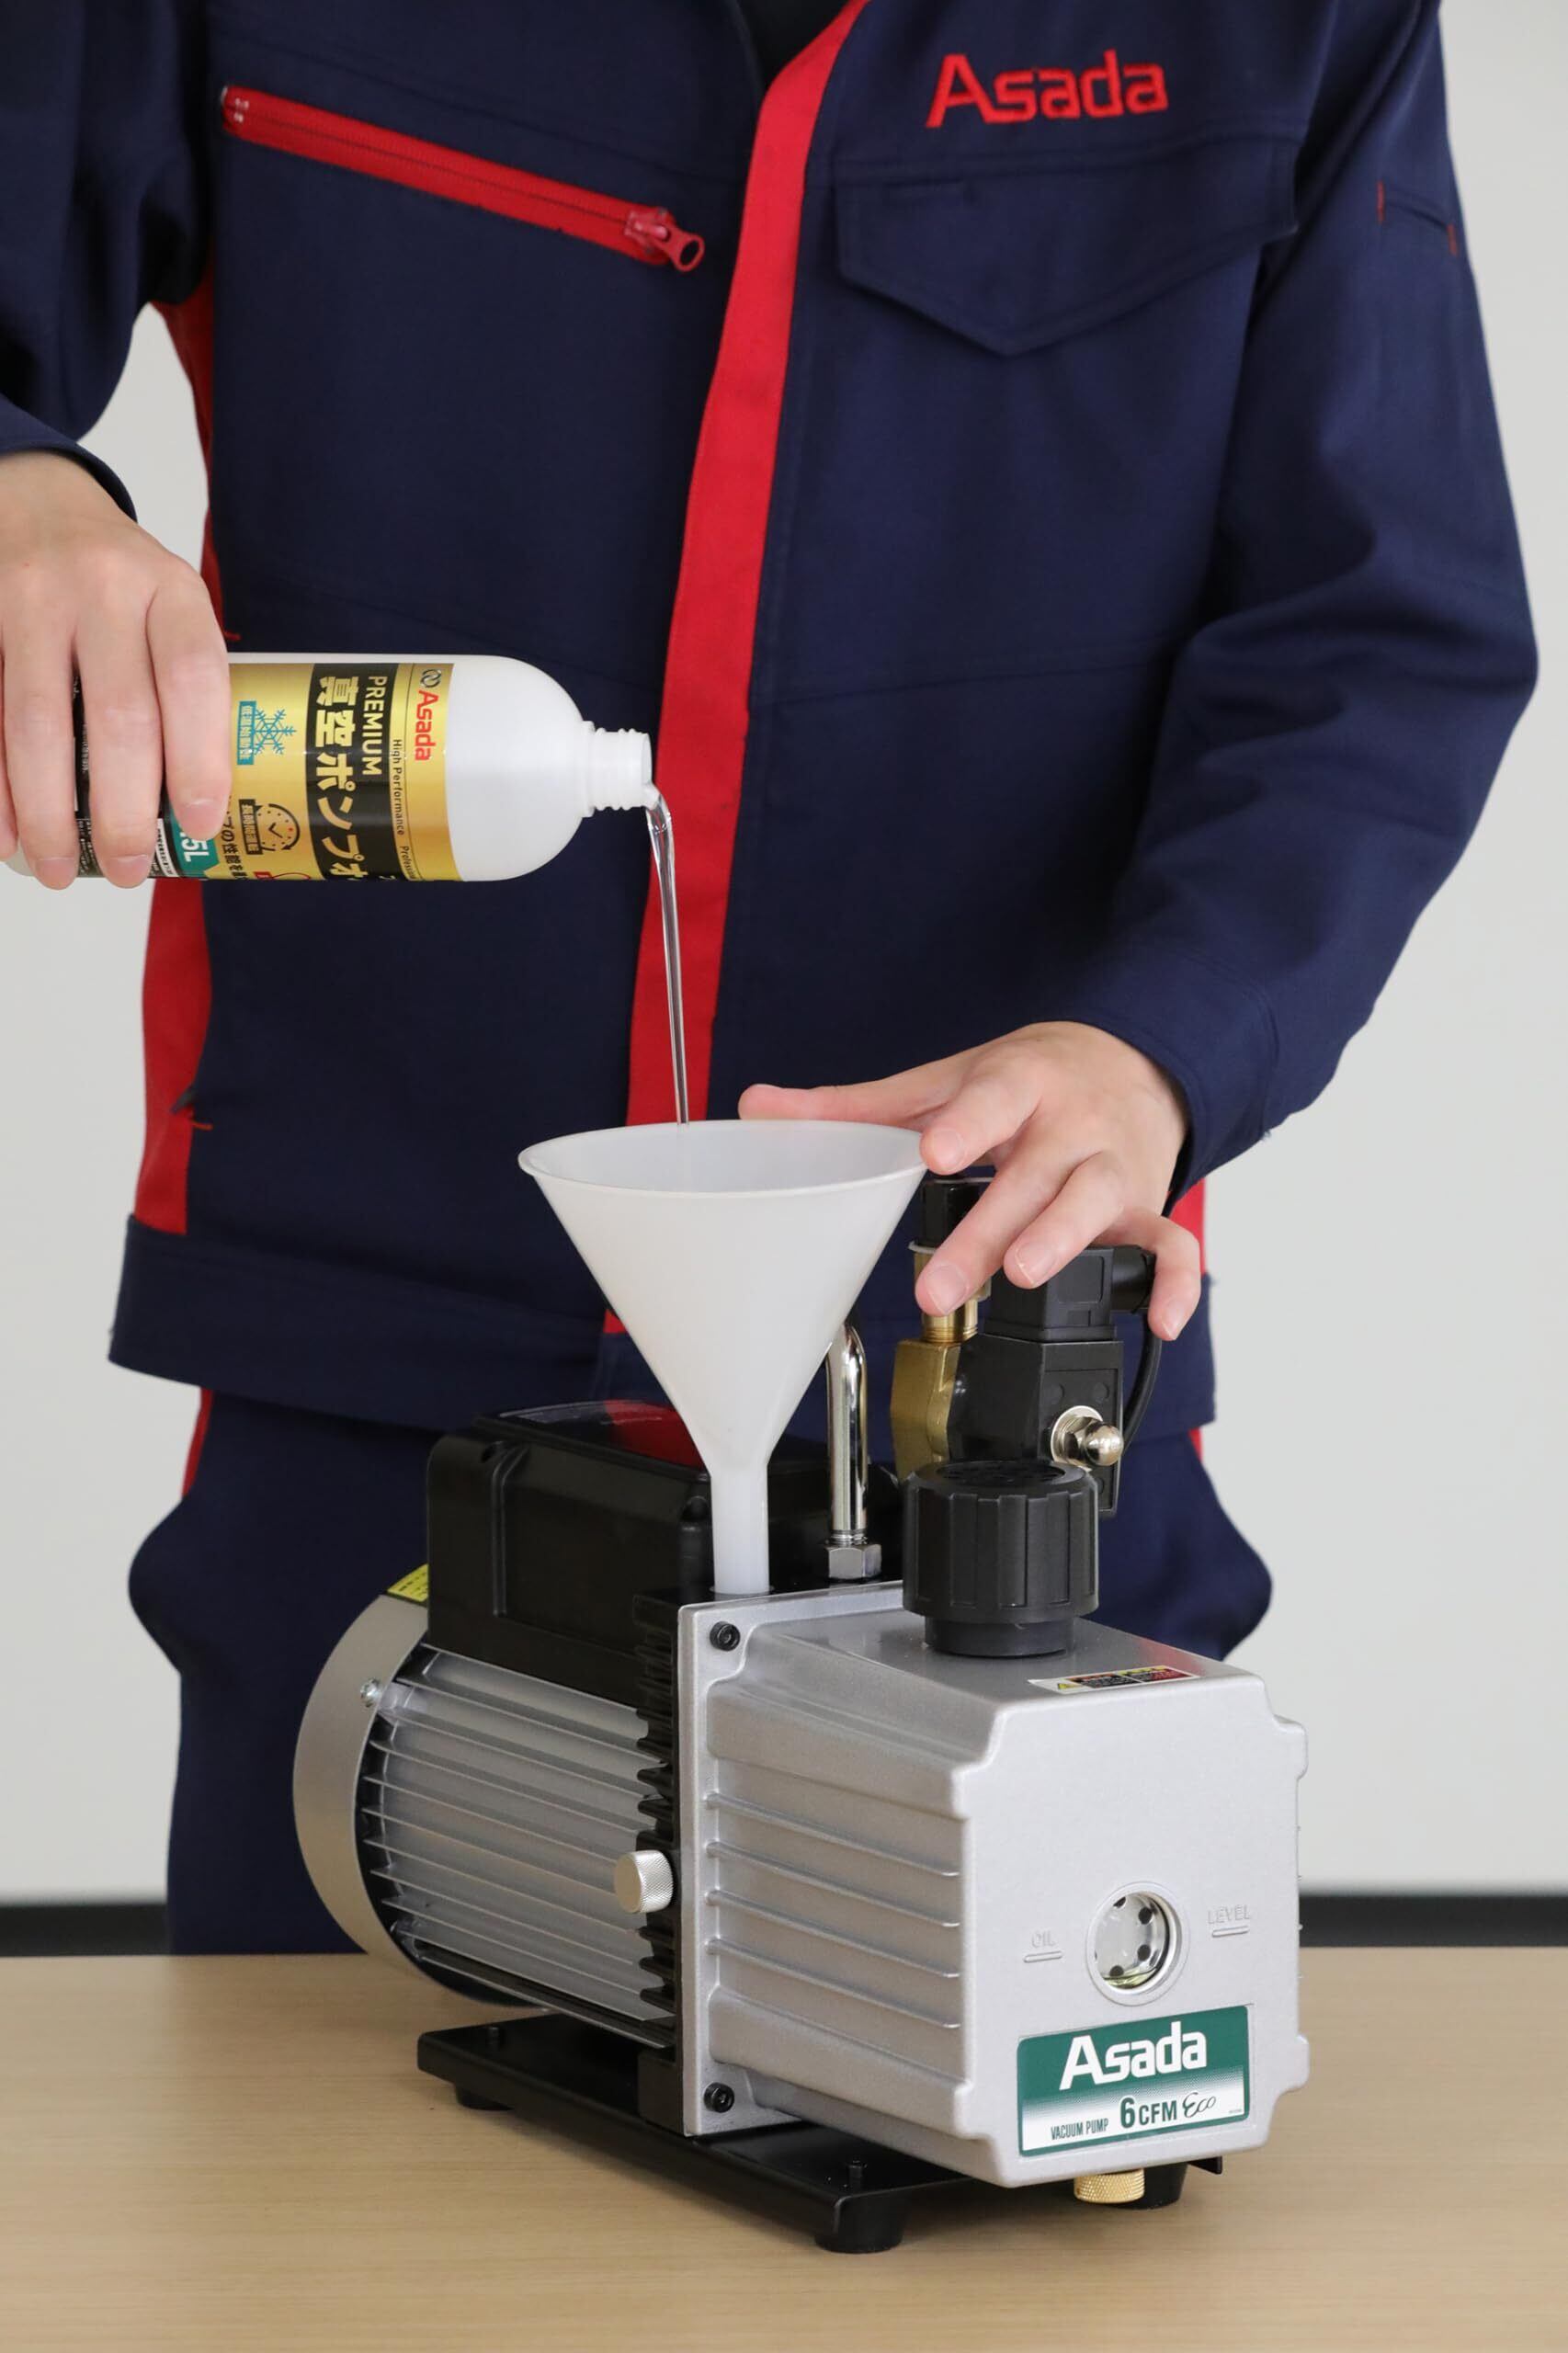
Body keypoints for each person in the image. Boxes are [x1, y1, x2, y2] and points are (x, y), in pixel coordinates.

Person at [0, 2, 1533, 1950]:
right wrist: (18, 489)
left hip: (990, 1364)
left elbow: (1380, 635)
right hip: (381, 1367)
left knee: (1054, 2088)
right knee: (306, 2125)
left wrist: (1158, 1052)